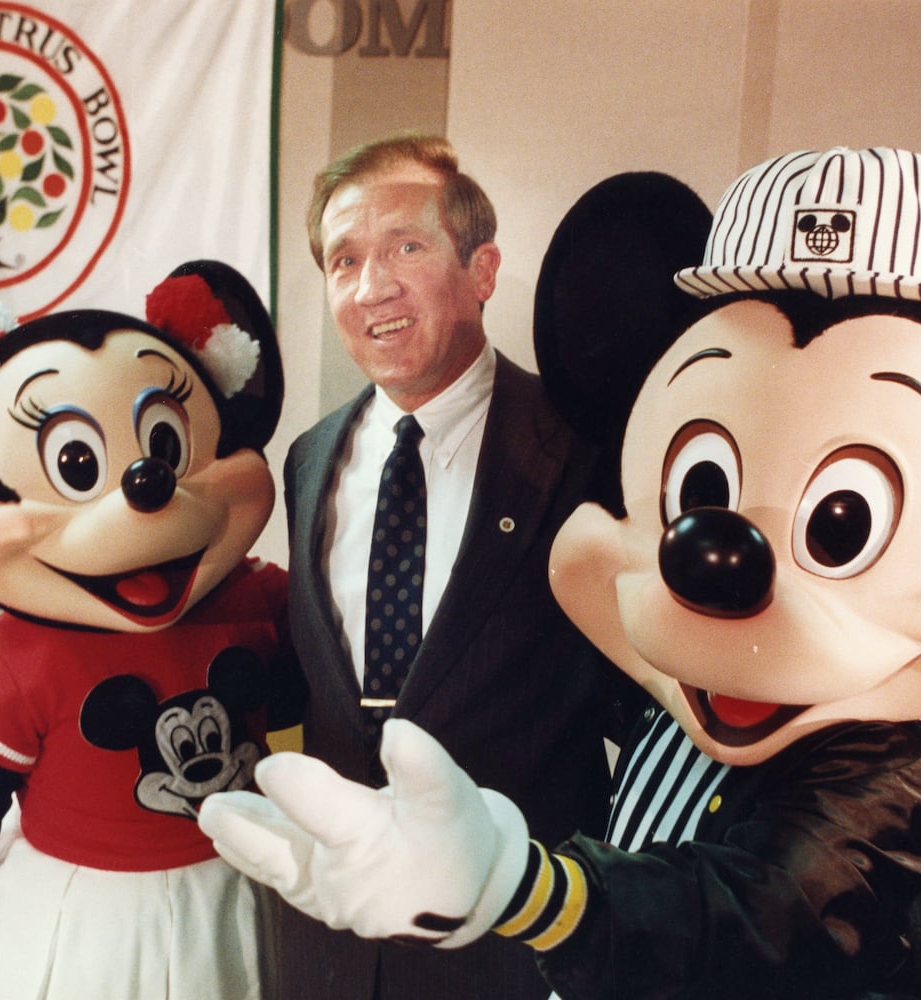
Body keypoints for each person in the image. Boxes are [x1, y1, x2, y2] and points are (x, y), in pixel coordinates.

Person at [276, 133, 614, 999]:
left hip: (514, 938)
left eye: (405, 248)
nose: (372, 287)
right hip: (336, 942)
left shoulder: (582, 449)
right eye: (344, 260)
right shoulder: (309, 460)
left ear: (482, 269)